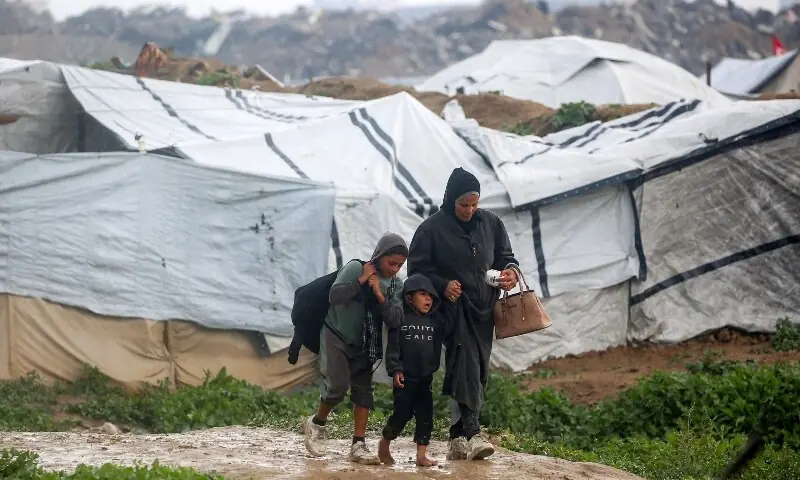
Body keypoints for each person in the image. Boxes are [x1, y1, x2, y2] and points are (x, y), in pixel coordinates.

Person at [407, 167, 519, 461]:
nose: (469, 210)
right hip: (451, 309)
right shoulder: (431, 229)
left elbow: (506, 257)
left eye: (474, 204)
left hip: (484, 309)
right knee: (466, 355)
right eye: (463, 205)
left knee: (476, 367)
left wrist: (510, 273)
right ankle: (472, 430)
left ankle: (456, 435)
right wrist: (442, 285)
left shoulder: (491, 224)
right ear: (450, 200)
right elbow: (416, 273)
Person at [302, 232, 408, 464]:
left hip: (366, 342)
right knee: (337, 387)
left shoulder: (396, 286)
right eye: (391, 263)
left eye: (400, 265)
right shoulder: (355, 268)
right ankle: (317, 424)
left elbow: (396, 319)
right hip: (336, 335)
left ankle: (358, 445)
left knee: (363, 391)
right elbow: (335, 296)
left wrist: (379, 294)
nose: (395, 269)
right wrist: (361, 280)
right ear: (379, 256)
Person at [378, 273, 454, 467]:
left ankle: (421, 455)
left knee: (425, 415)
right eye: (423, 294)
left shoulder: (435, 320)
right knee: (402, 414)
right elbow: (393, 348)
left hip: (425, 378)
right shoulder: (401, 318)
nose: (428, 298)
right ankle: (385, 442)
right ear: (409, 297)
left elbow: (449, 323)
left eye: (431, 296)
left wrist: (449, 300)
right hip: (404, 378)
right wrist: (395, 370)